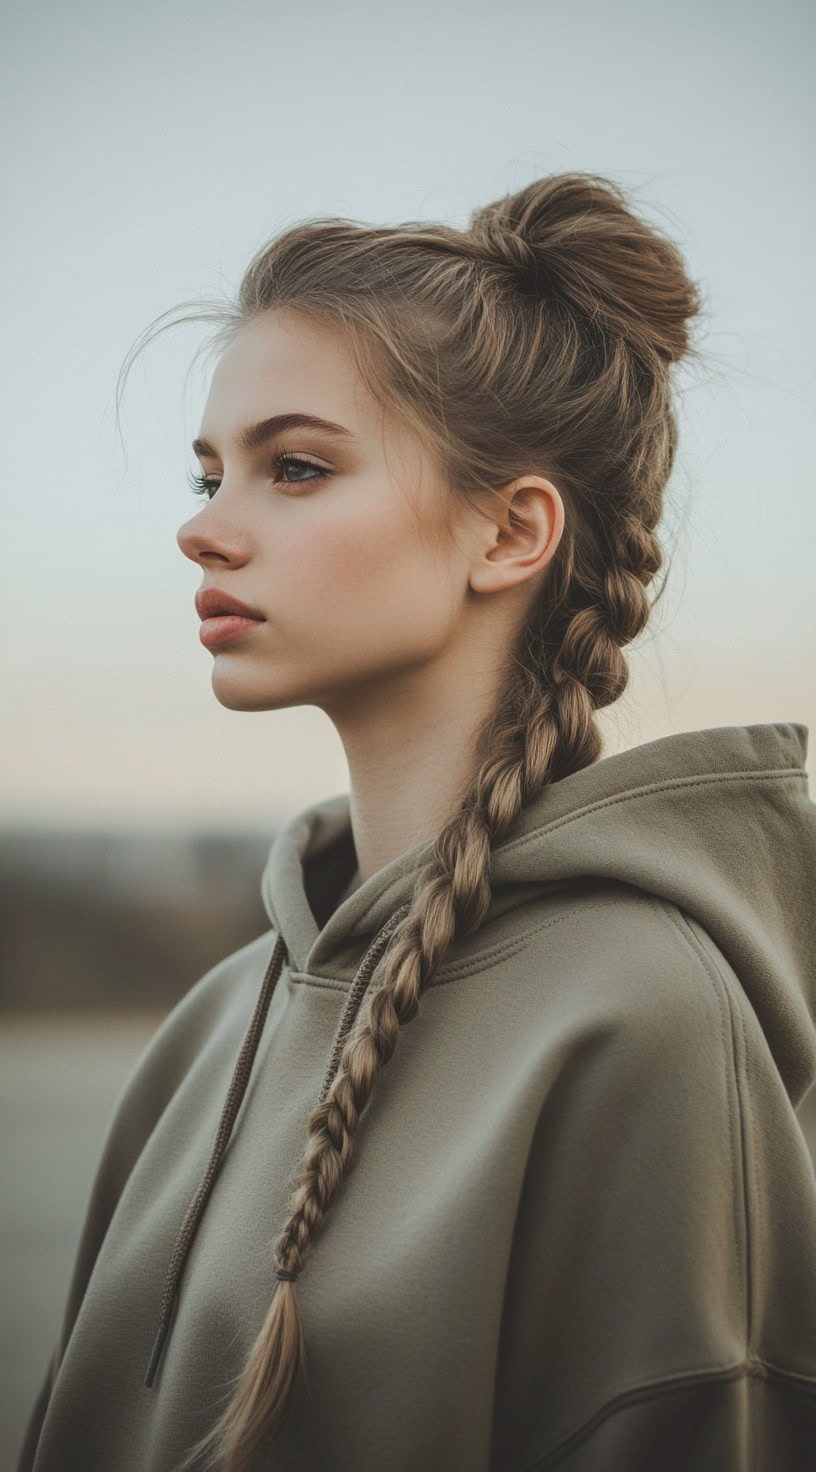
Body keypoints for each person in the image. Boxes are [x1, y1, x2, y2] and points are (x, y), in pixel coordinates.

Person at [17, 172, 816, 1472]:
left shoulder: (648, 1025)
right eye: (210, 472)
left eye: (297, 468)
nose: (203, 530)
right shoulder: (218, 1022)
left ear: (509, 533)